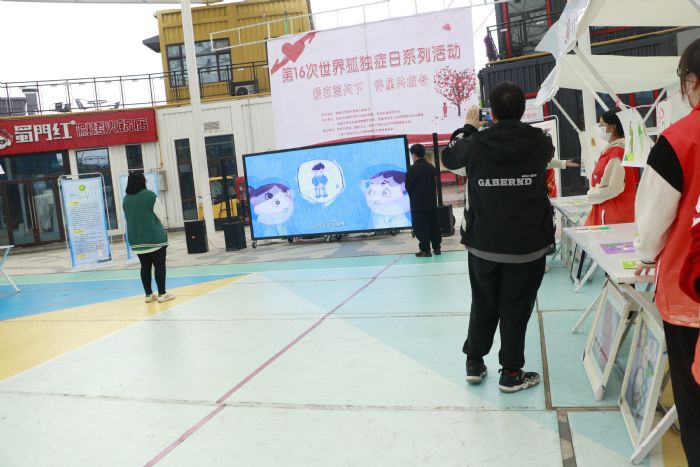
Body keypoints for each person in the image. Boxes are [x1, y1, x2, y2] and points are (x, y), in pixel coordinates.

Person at [442, 81, 555, 393]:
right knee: (516, 309)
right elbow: (546, 153)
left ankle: (474, 362)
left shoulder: (475, 144)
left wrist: (469, 128)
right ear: (522, 109)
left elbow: (449, 158)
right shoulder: (540, 141)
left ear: (490, 112)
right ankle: (511, 373)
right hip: (528, 246)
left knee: (483, 303)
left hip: (484, 245)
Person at [634, 38, 700, 467]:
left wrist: (645, 254)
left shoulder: (677, 141)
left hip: (689, 296)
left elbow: (652, 221)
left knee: (694, 401)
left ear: (691, 81)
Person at [122, 172, 174, 303]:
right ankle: (162, 294)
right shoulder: (150, 195)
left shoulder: (126, 199)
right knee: (159, 266)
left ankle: (149, 295)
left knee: (145, 267)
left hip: (136, 240)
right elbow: (161, 216)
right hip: (154, 239)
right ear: (142, 182)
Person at [584, 110, 639, 226]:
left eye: (601, 124)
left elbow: (614, 187)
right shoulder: (613, 150)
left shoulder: (617, 152)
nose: (599, 128)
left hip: (613, 213)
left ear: (612, 127)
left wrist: (591, 194)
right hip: (608, 210)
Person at [405, 143, 442, 257]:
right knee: (433, 225)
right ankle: (437, 248)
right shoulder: (431, 167)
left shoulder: (412, 169)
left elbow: (408, 187)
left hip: (418, 205)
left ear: (414, 154)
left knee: (421, 227)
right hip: (431, 202)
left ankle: (425, 250)